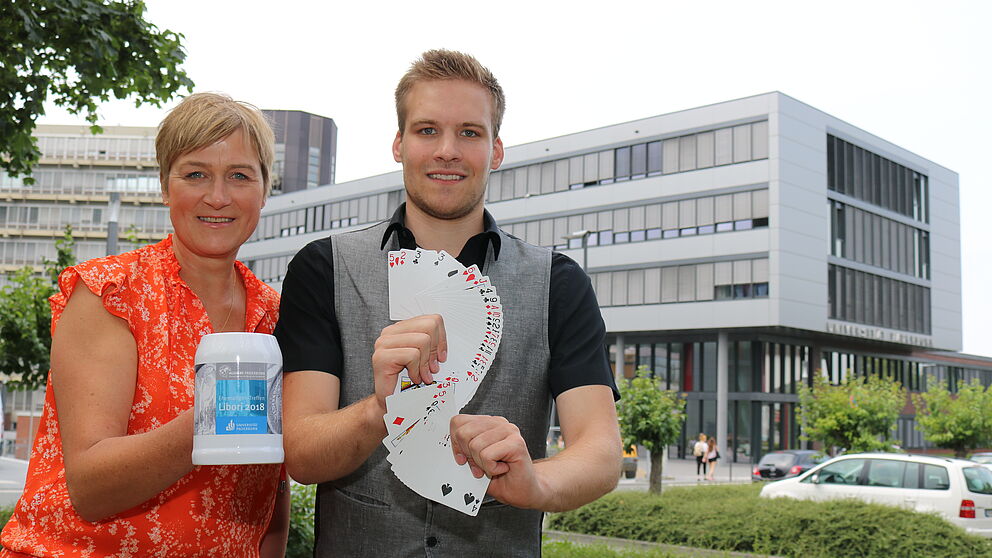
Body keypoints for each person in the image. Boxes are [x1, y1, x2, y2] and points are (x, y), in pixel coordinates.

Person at [276, 49, 622, 557]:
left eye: (469, 132)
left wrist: (536, 484)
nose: (447, 150)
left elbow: (601, 450)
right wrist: (381, 409)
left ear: (496, 150)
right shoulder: (323, 268)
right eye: (426, 130)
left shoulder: (558, 283)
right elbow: (302, 454)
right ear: (398, 144)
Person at [0, 93, 290, 557]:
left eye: (239, 176)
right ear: (164, 186)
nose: (218, 196)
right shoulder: (110, 295)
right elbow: (92, 490)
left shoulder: (277, 316)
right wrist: (218, 416)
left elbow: (269, 494)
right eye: (196, 174)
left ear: (264, 188)